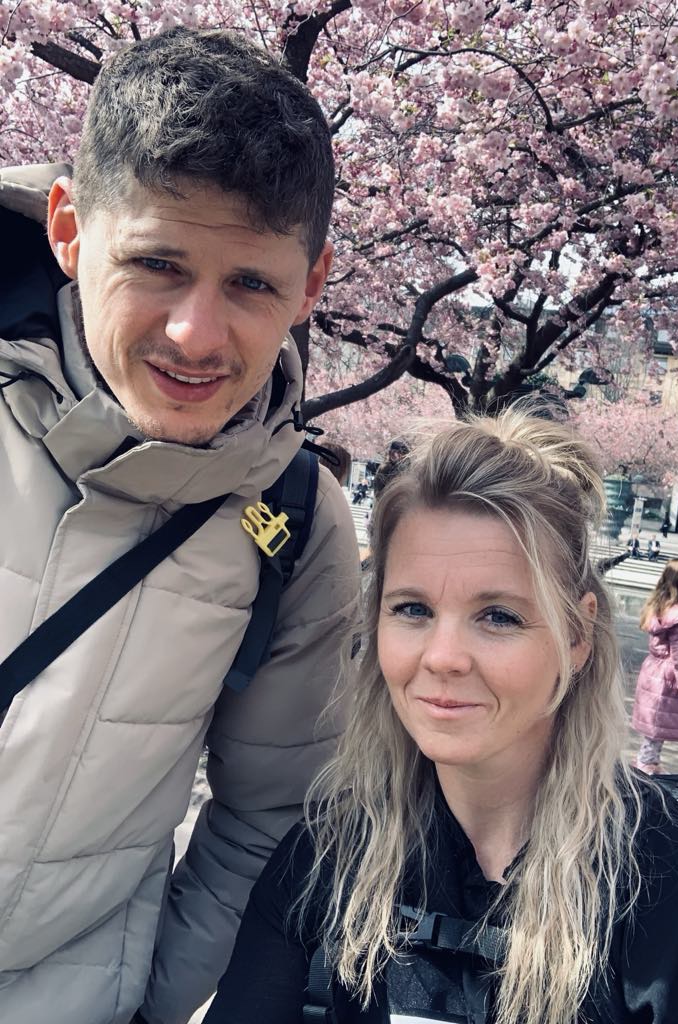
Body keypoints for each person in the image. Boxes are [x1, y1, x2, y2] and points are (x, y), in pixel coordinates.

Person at [0, 27, 361, 1024]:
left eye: (252, 284)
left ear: (311, 284)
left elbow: (269, 815)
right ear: (69, 230)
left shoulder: (297, 525)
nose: (196, 335)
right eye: (157, 264)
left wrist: (144, 1002)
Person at [206, 410, 678, 1024]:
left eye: (499, 616)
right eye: (413, 609)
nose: (442, 657)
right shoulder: (322, 861)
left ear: (577, 635)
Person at [631, 560, 678, 775]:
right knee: (658, 722)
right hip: (667, 676)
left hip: (653, 671)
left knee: (656, 720)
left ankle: (650, 758)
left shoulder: (659, 606)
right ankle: (646, 761)